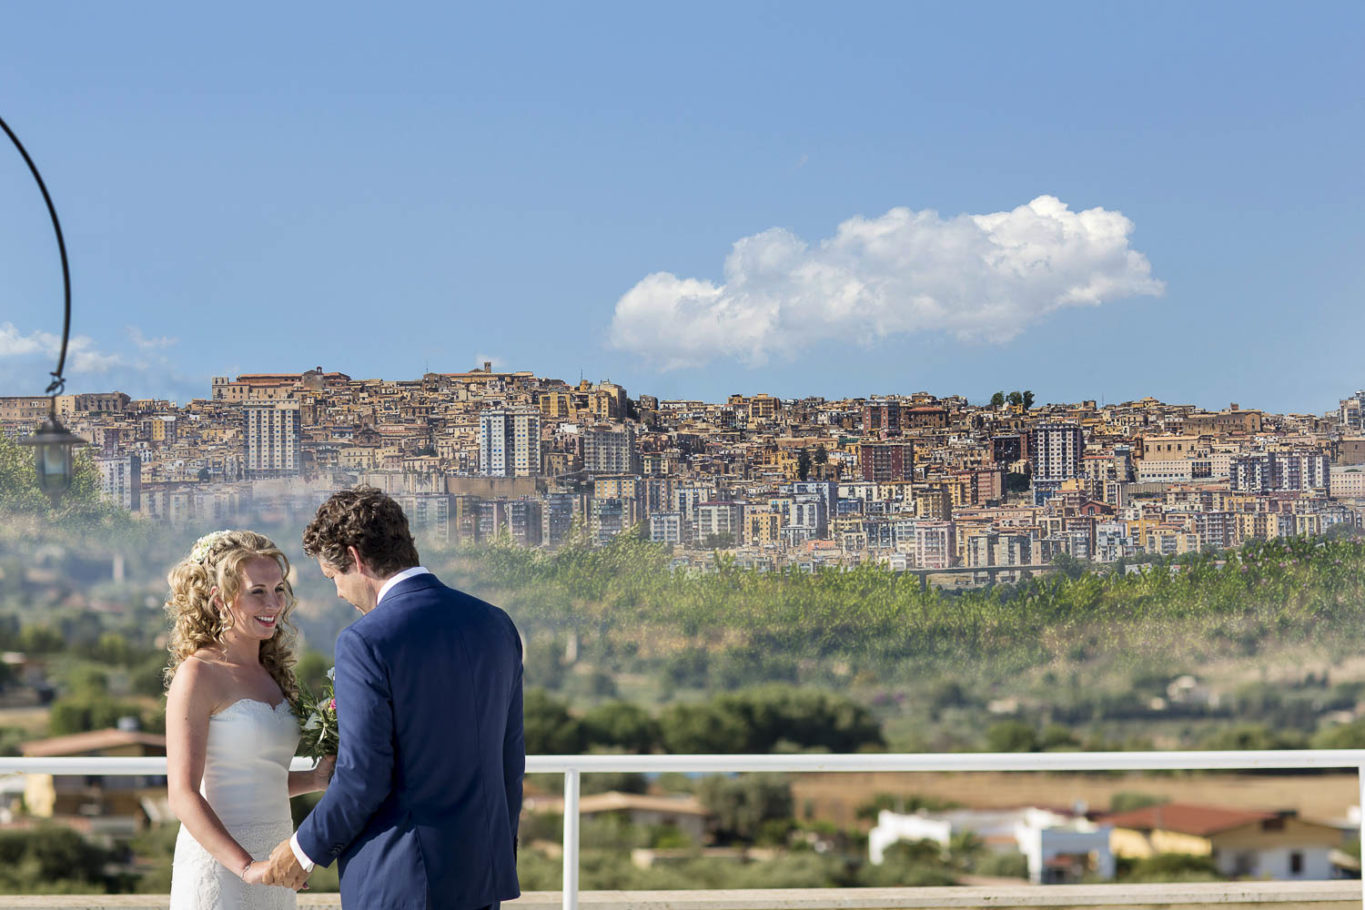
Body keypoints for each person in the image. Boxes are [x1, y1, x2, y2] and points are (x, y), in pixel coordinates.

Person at [262, 486, 524, 909]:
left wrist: (302, 851)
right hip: (481, 876)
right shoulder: (496, 624)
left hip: (401, 882)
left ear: (357, 559)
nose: (339, 594)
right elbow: (510, 764)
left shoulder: (365, 641)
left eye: (334, 578)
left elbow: (363, 777)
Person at [164, 530, 334, 910]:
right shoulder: (197, 674)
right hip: (224, 867)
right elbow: (182, 794)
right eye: (257, 591)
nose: (273, 603)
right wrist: (246, 868)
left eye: (279, 589)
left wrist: (314, 779)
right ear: (219, 599)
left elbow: (256, 777)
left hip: (277, 860)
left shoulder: (274, 674)